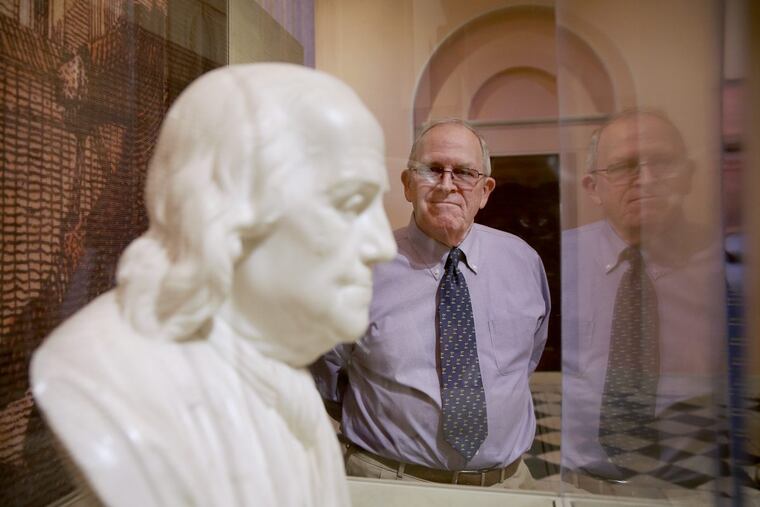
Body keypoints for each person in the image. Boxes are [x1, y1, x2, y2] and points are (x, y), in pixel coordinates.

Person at [30, 63, 396, 507]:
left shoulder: (282, 379)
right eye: (351, 203)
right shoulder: (105, 374)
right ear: (229, 209)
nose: (383, 245)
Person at [312, 118, 551, 489]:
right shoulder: (358, 268)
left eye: (465, 173)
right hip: (391, 485)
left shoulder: (522, 262)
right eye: (432, 170)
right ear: (407, 184)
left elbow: (527, 359)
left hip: (507, 487)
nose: (447, 184)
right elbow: (326, 378)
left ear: (485, 190)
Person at [561, 110, 725, 497]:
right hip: (584, 482)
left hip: (695, 483)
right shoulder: (559, 259)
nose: (647, 179)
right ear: (591, 187)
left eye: (663, 163)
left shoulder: (727, 264)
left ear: (687, 175)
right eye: (624, 166)